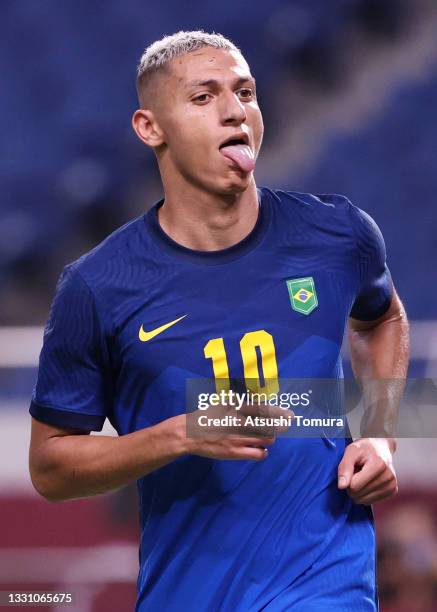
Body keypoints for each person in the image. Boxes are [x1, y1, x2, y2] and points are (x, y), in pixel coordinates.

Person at [29, 30, 409, 611]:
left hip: (326, 581)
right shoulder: (97, 286)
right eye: (203, 98)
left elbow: (382, 319)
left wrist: (380, 433)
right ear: (149, 127)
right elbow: (52, 468)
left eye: (246, 92)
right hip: (188, 590)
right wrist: (178, 434)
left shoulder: (337, 235)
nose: (235, 111)